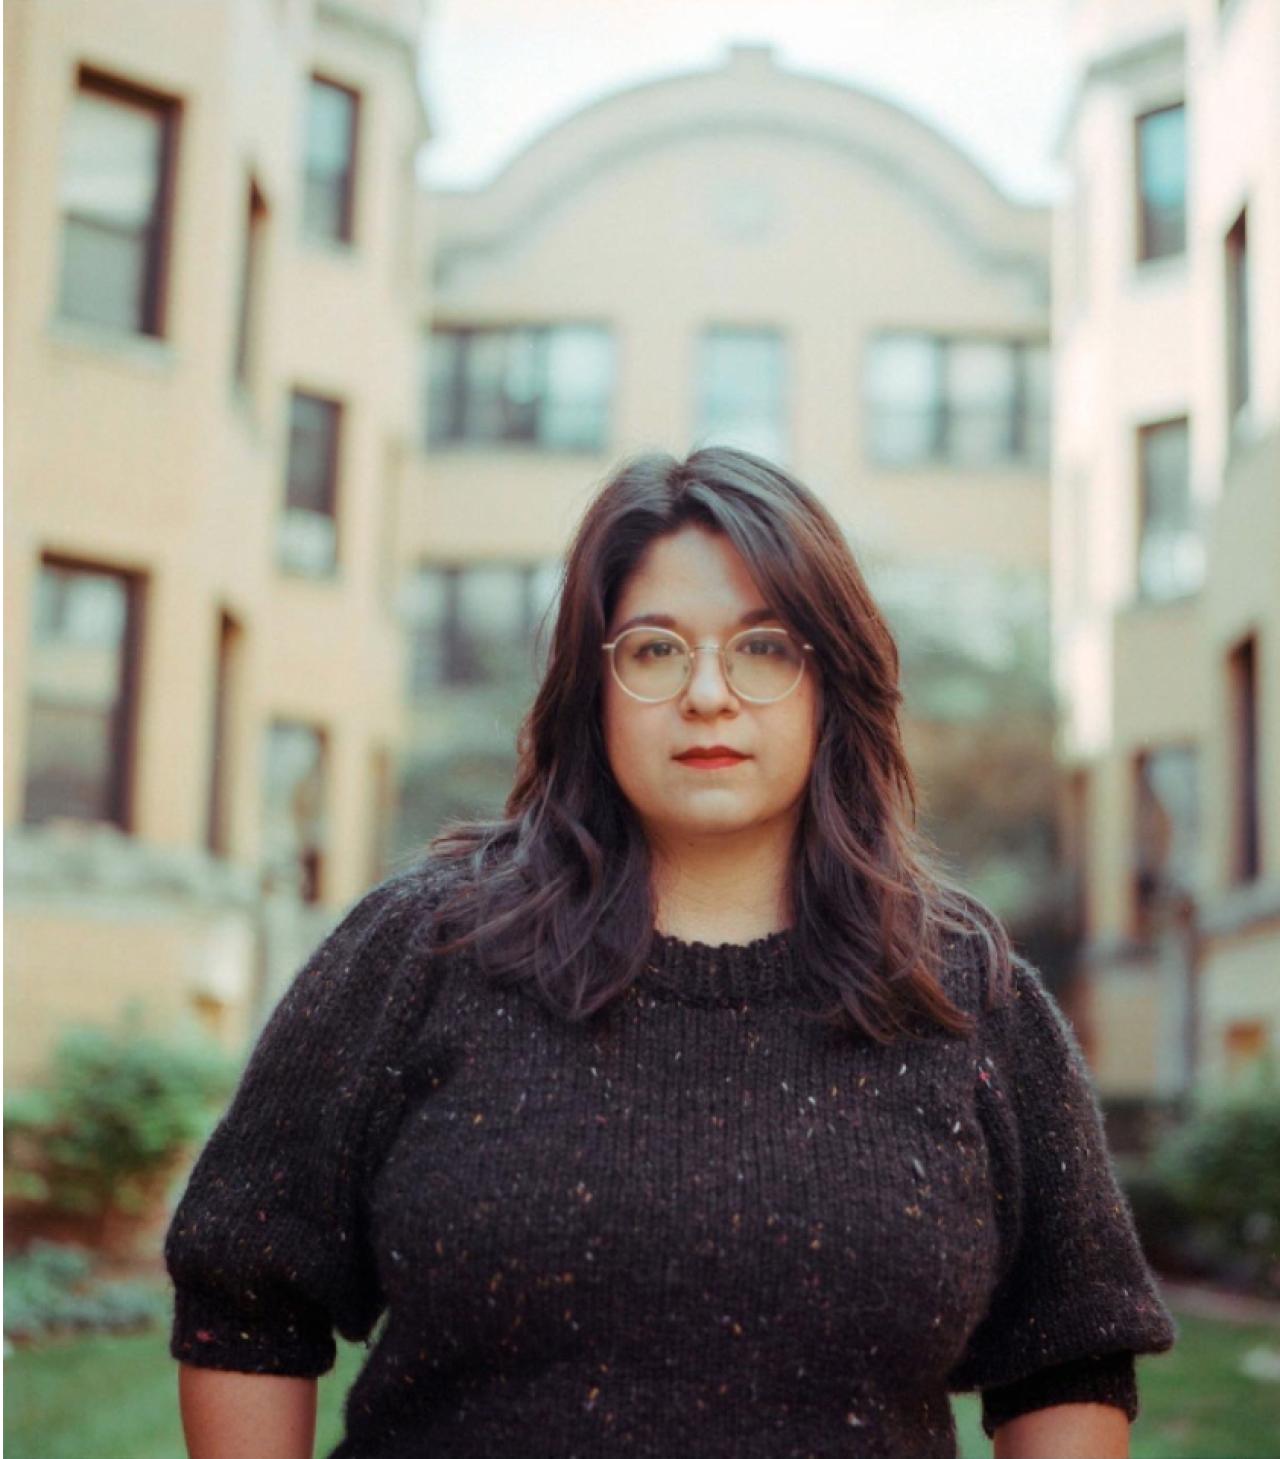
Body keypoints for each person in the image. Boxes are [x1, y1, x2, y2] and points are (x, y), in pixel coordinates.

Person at [165, 447, 1177, 1459]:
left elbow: (1065, 1353)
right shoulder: (423, 952)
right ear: (590, 685)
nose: (706, 693)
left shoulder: (965, 995)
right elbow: (245, 1296)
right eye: (652, 649)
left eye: (764, 646)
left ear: (831, 678)